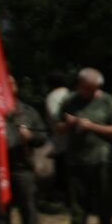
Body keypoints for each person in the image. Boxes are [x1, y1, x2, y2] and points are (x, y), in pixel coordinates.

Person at [56, 68, 112, 224]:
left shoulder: (109, 102)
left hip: (102, 160)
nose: (92, 92)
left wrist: (92, 126)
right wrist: (68, 124)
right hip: (76, 161)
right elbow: (57, 127)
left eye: (95, 88)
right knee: (78, 207)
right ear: (80, 85)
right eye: (88, 88)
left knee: (104, 205)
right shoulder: (70, 101)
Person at [0, 84, 48, 224]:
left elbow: (42, 137)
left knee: (28, 206)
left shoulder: (27, 112)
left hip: (22, 166)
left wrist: (30, 137)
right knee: (0, 207)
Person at [43, 71, 70, 204]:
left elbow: (56, 121)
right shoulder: (71, 94)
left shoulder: (52, 97)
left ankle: (65, 202)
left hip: (62, 144)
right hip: (77, 144)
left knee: (64, 178)